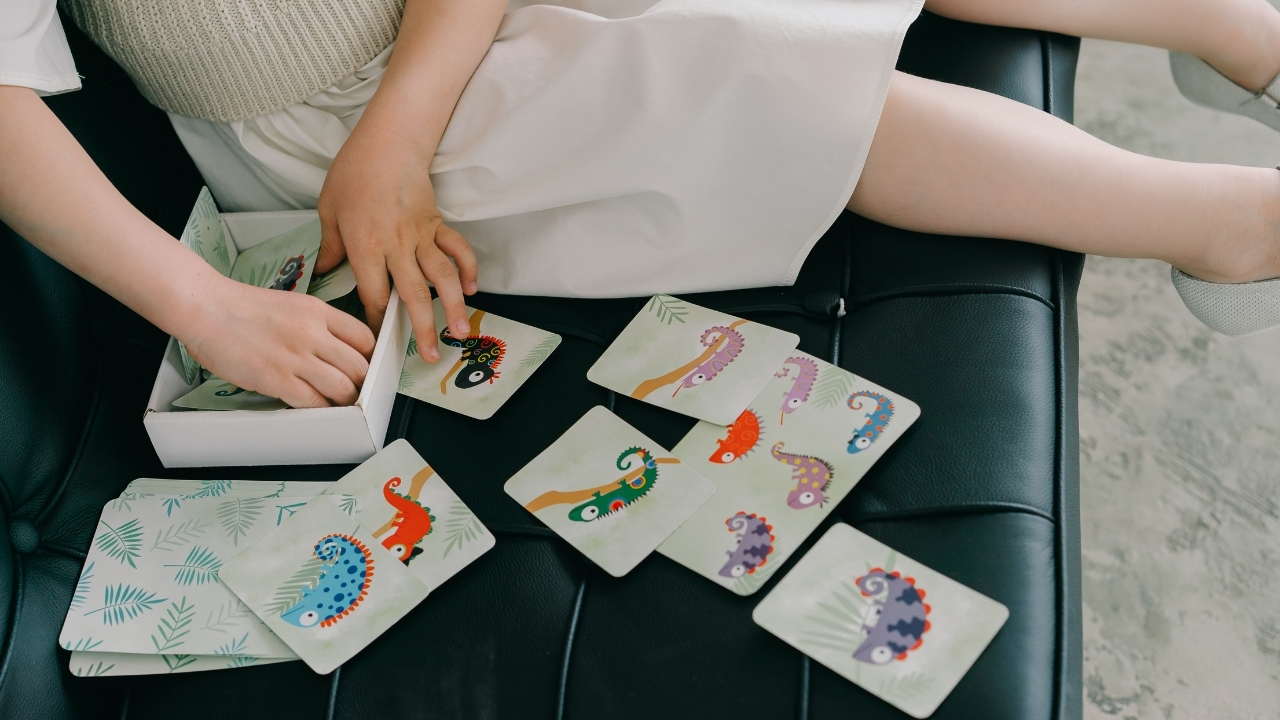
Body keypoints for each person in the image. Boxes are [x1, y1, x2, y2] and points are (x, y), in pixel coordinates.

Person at [2, 0, 1278, 409]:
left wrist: (405, 123)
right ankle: (1232, 227)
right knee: (749, 81)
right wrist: (206, 308)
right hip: (323, 122)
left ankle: (1236, 31)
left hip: (421, 62)